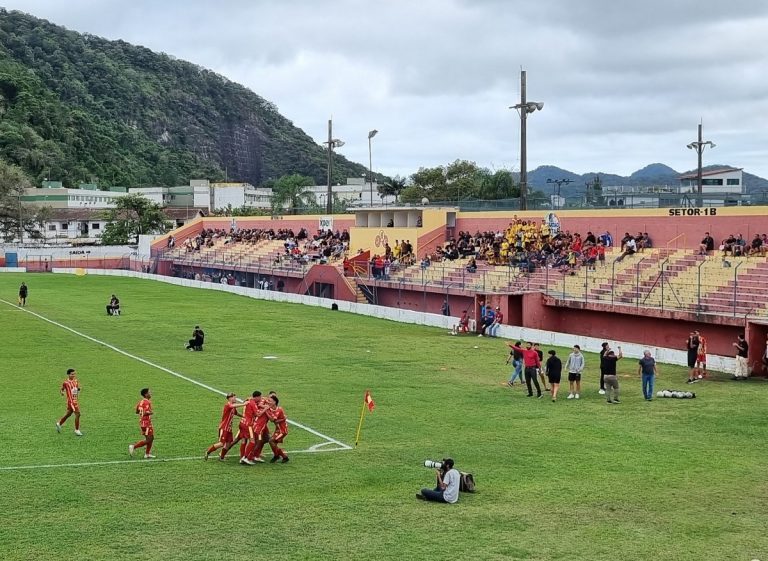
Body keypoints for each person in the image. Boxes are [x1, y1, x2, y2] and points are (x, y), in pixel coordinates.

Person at [204, 393, 245, 461]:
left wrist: (243, 416)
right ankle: (208, 452)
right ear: (230, 398)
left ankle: (221, 457)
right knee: (221, 443)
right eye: (234, 397)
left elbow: (236, 413)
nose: (235, 399)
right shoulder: (228, 405)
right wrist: (244, 404)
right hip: (224, 427)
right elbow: (232, 406)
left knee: (228, 444)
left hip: (229, 429)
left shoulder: (233, 407)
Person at [129, 388, 155, 459]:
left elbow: (137, 411)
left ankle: (147, 454)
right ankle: (133, 446)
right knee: (149, 439)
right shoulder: (147, 402)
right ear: (146, 394)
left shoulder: (141, 402)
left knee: (151, 438)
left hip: (143, 422)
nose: (151, 393)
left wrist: (143, 412)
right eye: (149, 392)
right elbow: (146, 412)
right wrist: (150, 412)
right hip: (146, 423)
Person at [56, 368, 83, 436]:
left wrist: (78, 389)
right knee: (78, 414)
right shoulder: (66, 383)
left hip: (75, 400)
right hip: (71, 401)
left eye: (74, 374)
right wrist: (62, 392)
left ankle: (59, 423)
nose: (74, 375)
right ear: (68, 374)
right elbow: (62, 389)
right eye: (72, 374)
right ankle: (77, 430)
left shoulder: (76, 381)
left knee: (68, 414)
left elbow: (76, 389)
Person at [267, 394, 290, 463]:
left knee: (271, 441)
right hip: (278, 429)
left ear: (274, 402)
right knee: (273, 443)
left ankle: (283, 456)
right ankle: (277, 455)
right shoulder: (270, 409)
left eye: (270, 401)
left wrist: (266, 411)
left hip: (282, 430)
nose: (268, 402)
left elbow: (273, 420)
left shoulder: (279, 410)